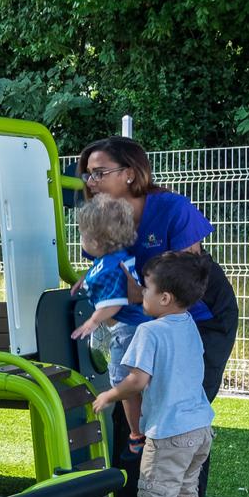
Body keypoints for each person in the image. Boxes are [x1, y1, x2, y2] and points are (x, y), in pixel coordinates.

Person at [77, 136, 238, 497]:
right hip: (145, 316)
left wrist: (133, 295)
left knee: (180, 410)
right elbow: (106, 267)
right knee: (129, 407)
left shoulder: (171, 208)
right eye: (88, 174)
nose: (91, 181)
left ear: (130, 173)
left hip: (201, 314)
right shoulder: (103, 216)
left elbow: (188, 277)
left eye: (100, 172)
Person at [92, 253, 215, 497]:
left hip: (170, 434)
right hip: (200, 429)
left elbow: (137, 381)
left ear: (164, 298)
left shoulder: (149, 331)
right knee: (186, 492)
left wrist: (109, 396)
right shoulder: (189, 323)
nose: (139, 295)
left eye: (145, 289)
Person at [71, 193, 147, 454]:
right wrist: (85, 278)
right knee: (140, 380)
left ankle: (137, 432)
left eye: (82, 235)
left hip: (127, 331)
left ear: (95, 240)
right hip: (139, 328)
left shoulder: (109, 267)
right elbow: (101, 273)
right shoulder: (117, 256)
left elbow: (114, 303)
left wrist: (91, 322)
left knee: (122, 381)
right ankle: (143, 427)